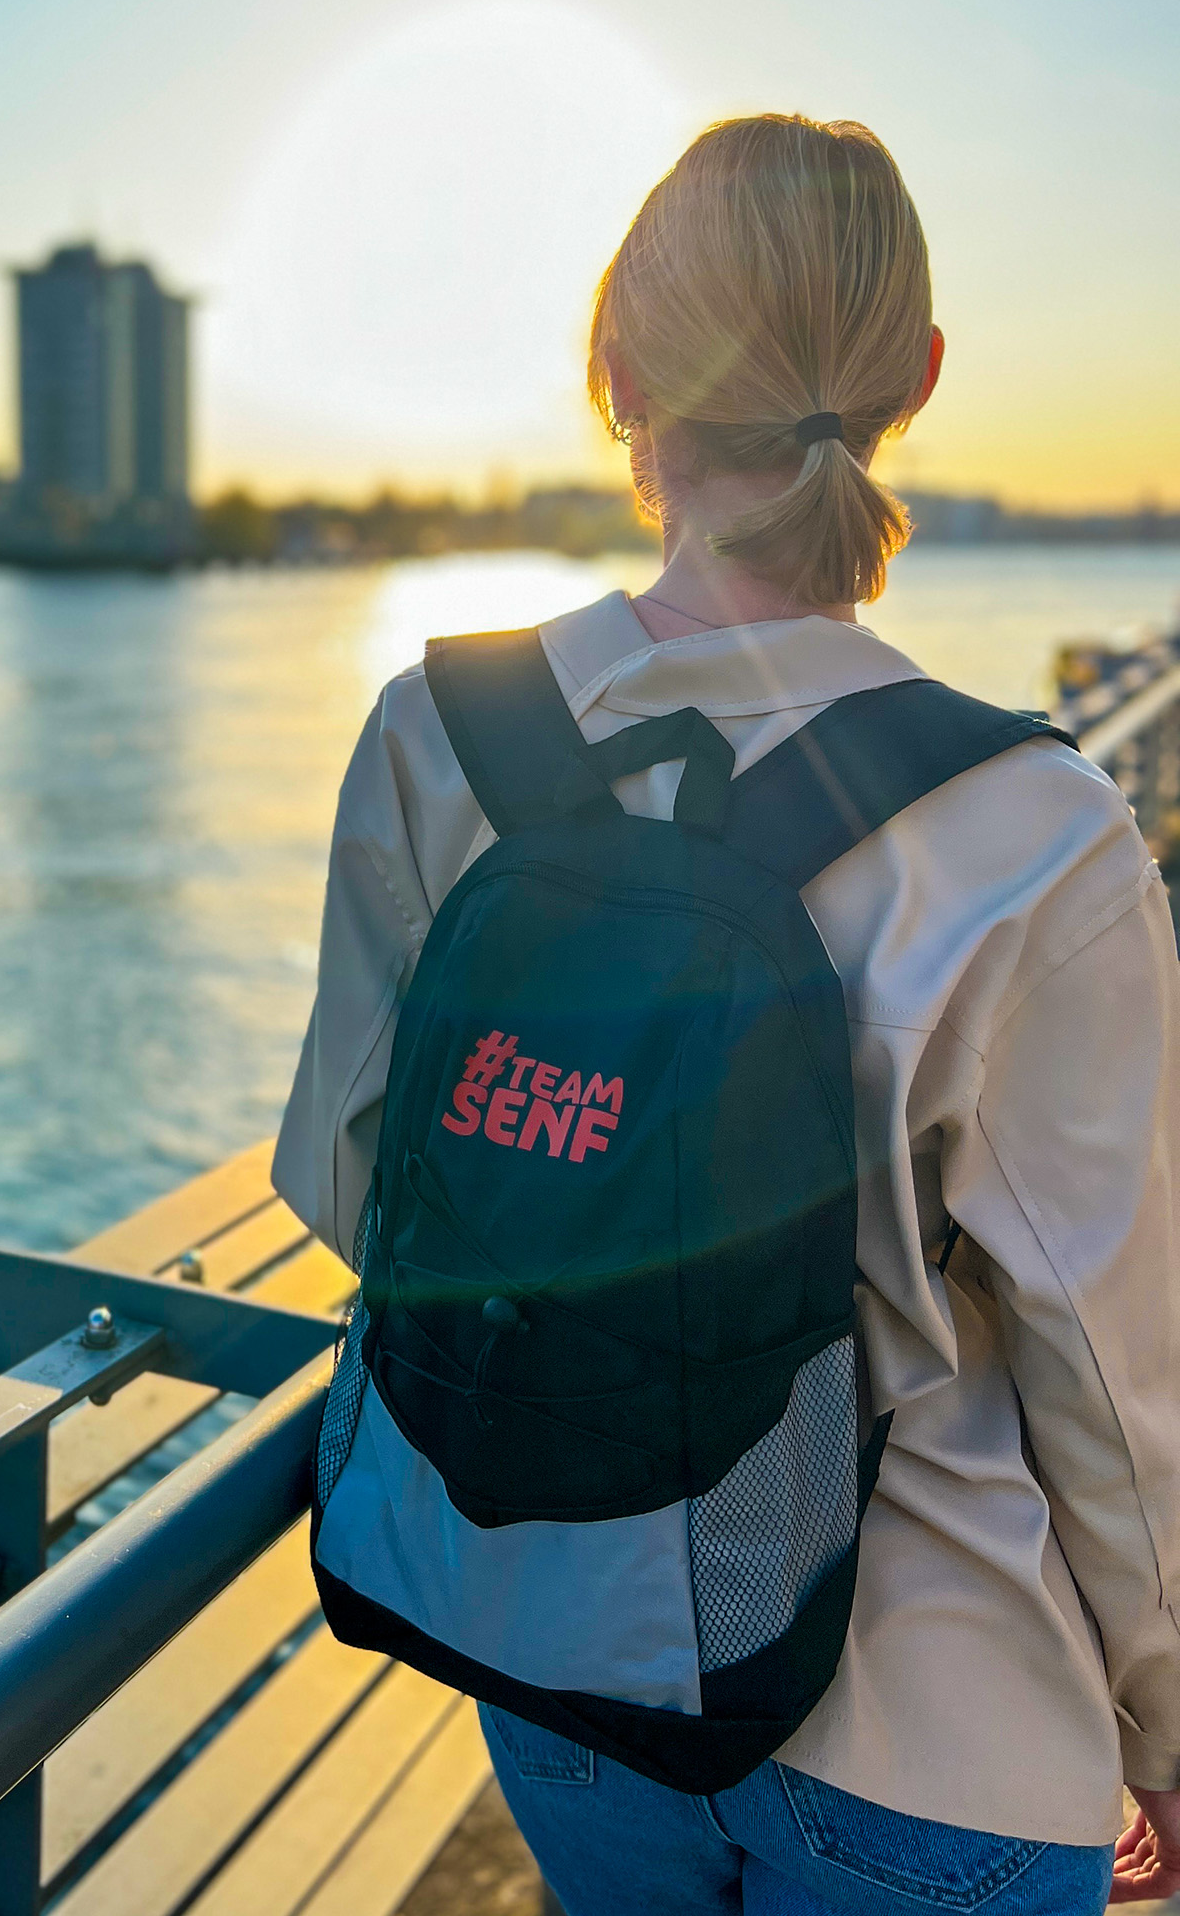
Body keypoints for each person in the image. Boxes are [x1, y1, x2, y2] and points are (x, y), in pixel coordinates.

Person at [275, 114, 1180, 1913]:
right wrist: (1161, 1727)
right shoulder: (1031, 828)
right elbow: (1119, 1373)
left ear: (617, 372)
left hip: (563, 1652)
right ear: (918, 377)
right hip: (937, 1736)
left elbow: (347, 1182)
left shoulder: (435, 737)